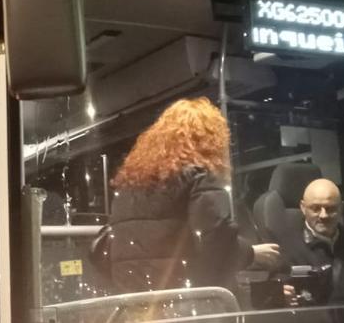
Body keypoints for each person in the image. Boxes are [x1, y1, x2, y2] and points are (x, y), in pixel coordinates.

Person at [94, 97, 283, 292]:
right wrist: (250, 254)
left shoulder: (128, 187)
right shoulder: (200, 177)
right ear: (211, 140)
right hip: (184, 303)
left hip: (134, 304)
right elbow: (215, 238)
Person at [279, 178, 344, 304]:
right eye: (315, 208)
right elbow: (274, 296)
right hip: (309, 320)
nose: (323, 215)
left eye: (330, 208)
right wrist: (281, 296)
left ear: (341, 208)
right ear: (303, 208)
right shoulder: (286, 247)